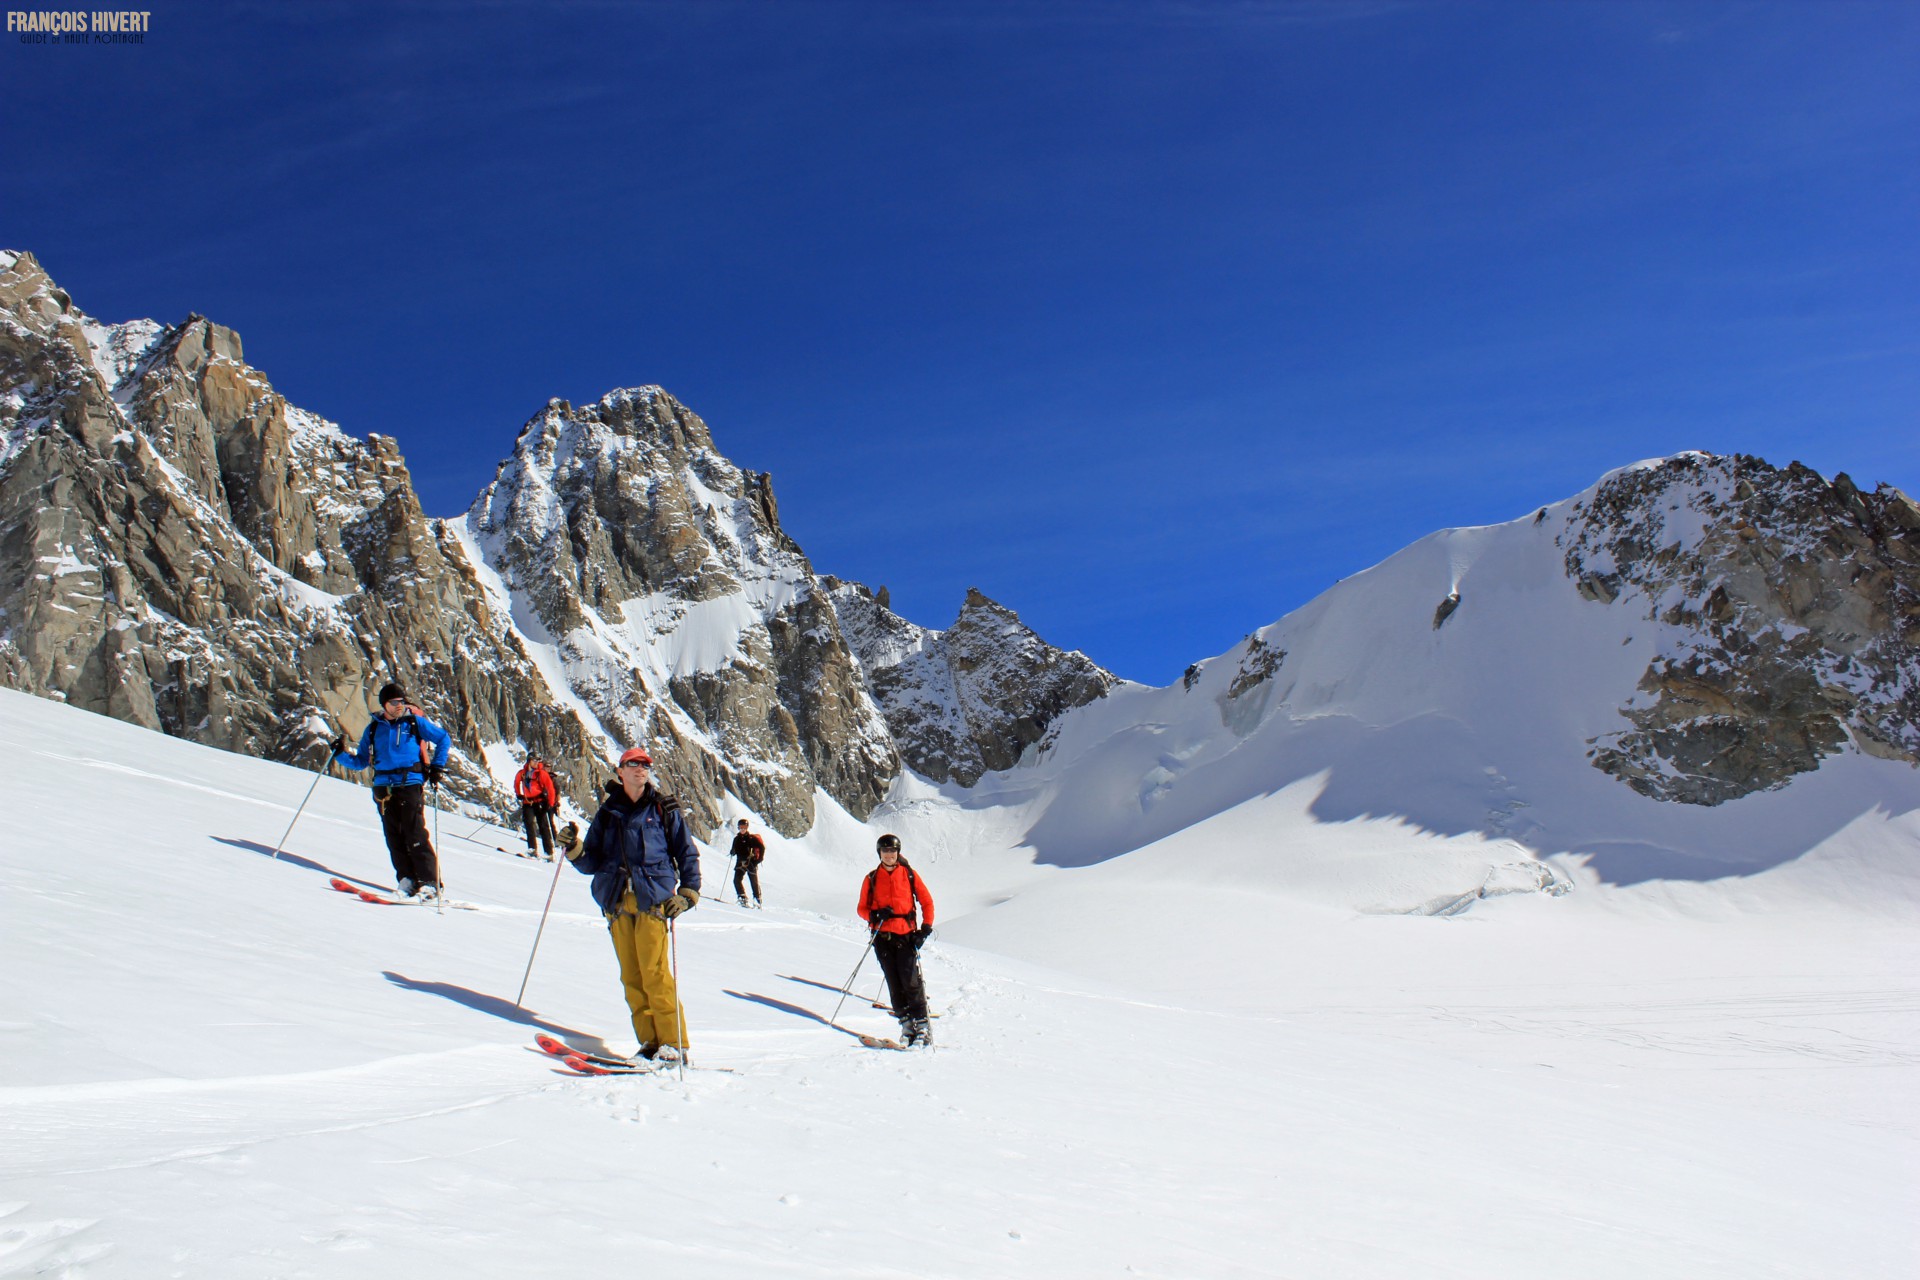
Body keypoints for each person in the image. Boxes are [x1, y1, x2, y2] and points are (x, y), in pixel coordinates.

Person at [558, 746, 701, 1064]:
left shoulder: (664, 808)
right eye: (634, 764)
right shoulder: (608, 813)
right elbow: (592, 860)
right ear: (620, 770)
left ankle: (674, 1045)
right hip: (617, 902)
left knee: (655, 973)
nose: (641, 768)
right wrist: (574, 848)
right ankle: (650, 1042)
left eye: (646, 764)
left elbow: (686, 852)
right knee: (632, 976)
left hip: (653, 902)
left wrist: (689, 893)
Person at [331, 681, 452, 899]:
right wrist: (339, 754)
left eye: (402, 701)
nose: (399, 705)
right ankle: (407, 880)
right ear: (384, 704)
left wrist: (437, 766)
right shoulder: (374, 729)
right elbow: (361, 762)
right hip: (383, 788)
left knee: (414, 832)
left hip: (410, 782)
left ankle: (430, 884)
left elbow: (443, 738)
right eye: (395, 702)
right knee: (393, 835)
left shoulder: (414, 722)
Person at [856, 833, 935, 1047]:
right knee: (893, 981)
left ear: (898, 853)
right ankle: (907, 1026)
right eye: (885, 851)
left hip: (906, 935)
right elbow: (861, 908)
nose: (889, 855)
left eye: (893, 851)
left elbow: (927, 901)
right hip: (882, 937)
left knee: (911, 981)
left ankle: (922, 1026)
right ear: (879, 853)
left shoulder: (909, 875)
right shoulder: (871, 878)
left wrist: (925, 929)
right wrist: (874, 915)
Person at [513, 754, 560, 860]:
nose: (536, 763)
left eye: (538, 761)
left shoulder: (541, 774)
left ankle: (549, 852)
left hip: (539, 802)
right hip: (527, 802)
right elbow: (516, 782)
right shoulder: (522, 773)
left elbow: (550, 788)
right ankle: (532, 849)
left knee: (543, 826)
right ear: (529, 761)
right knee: (529, 824)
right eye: (534, 760)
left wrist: (550, 803)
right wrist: (518, 793)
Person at [729, 818, 766, 907]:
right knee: (736, 880)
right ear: (738, 827)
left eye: (744, 827)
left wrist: (759, 859)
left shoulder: (751, 839)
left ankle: (757, 900)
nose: (743, 829)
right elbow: (733, 850)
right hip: (741, 862)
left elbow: (762, 848)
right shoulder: (736, 839)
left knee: (753, 882)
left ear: (747, 827)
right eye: (741, 827)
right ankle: (742, 898)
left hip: (751, 863)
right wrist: (732, 852)